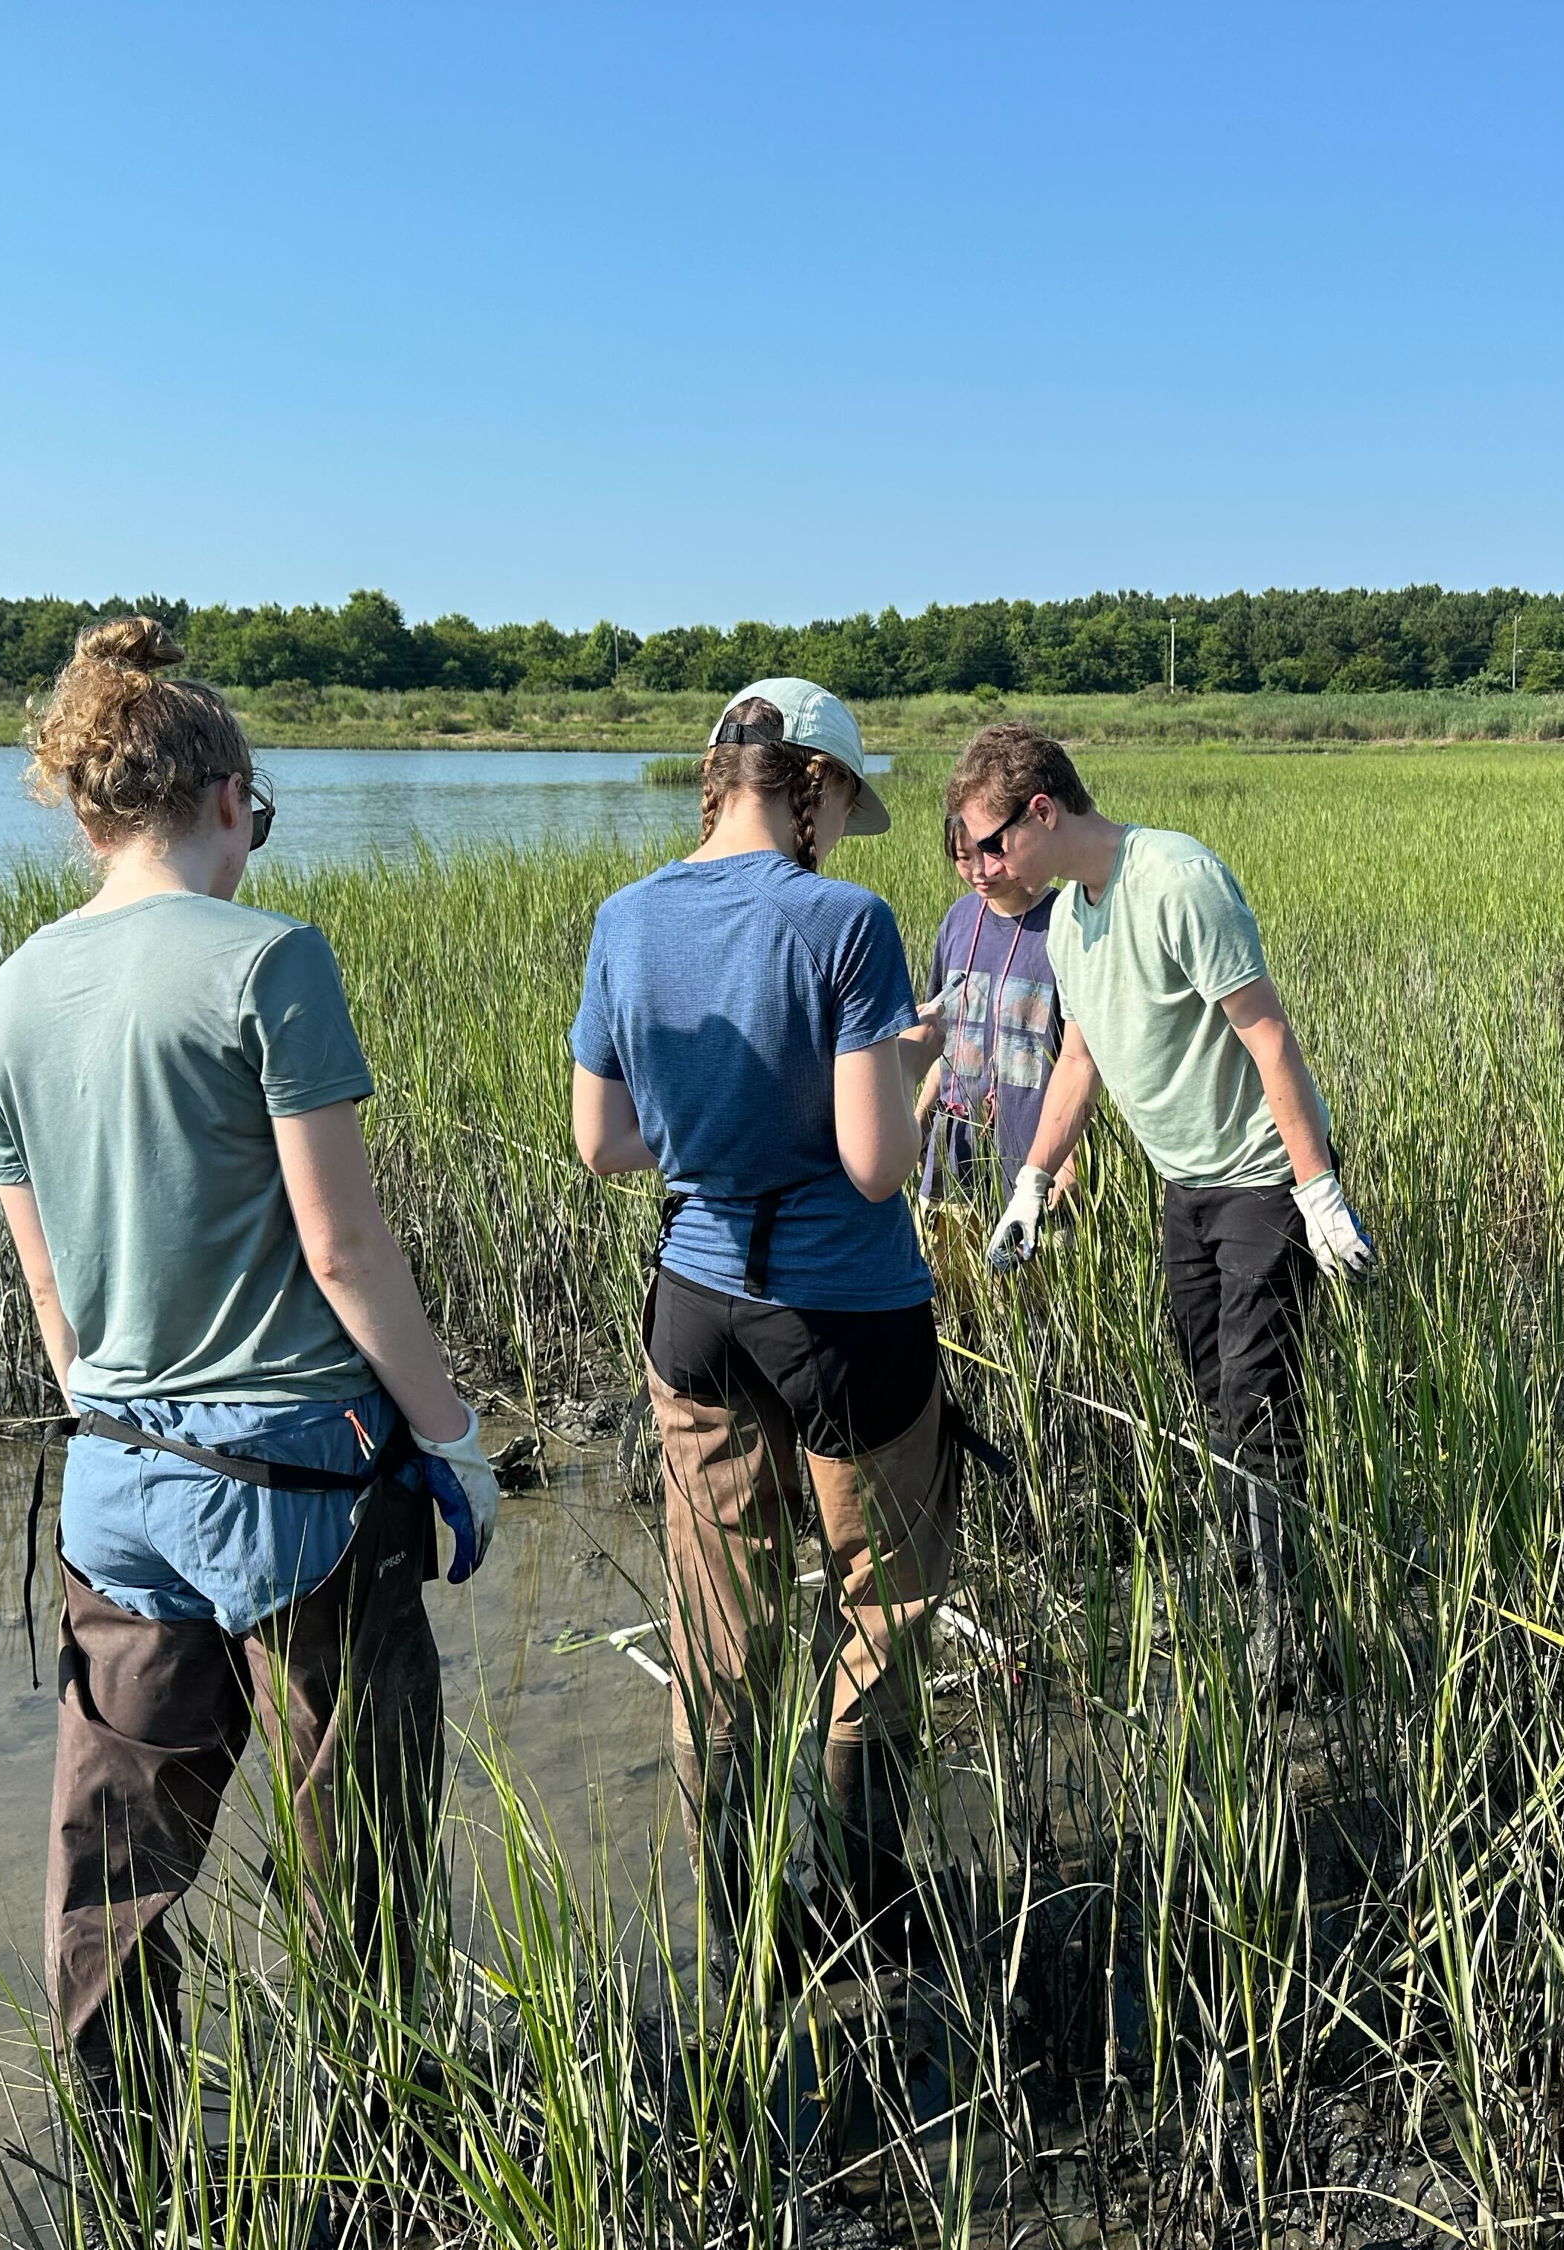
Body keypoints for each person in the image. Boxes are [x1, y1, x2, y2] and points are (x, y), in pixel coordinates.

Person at [0, 618, 505, 2147]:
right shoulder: (269, 960)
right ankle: (388, 2137)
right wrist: (453, 1440)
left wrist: (128, 1414)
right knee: (362, 1847)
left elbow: (54, 1303)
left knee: (115, 1857)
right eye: (255, 817)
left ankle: (127, 2156)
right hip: (304, 1495)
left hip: (120, 1488)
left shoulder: (9, 998)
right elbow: (342, 1250)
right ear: (227, 799)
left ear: (86, 816)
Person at [569, 677, 955, 1960]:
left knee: (719, 1632)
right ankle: (863, 1900)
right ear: (816, 785)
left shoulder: (624, 921)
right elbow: (875, 1166)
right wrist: (909, 1064)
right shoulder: (845, 921)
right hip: (847, 1317)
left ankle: (740, 1927)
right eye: (845, 805)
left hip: (697, 1311)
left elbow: (604, 1140)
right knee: (881, 1607)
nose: (844, 833)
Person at [946, 723, 1372, 1689]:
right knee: (1210, 1391)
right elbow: (1082, 1057)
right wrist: (1030, 1182)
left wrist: (1320, 1194)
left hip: (1262, 1179)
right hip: (1183, 1186)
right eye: (966, 850)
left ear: (1042, 811)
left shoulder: (1177, 879)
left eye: (987, 844)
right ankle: (1252, 1563)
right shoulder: (1070, 920)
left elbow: (1267, 1036)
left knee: (1259, 1404)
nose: (975, 868)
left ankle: (1281, 1622)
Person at [914, 811, 1073, 1203]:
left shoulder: (1064, 923)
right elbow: (945, 1038)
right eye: (963, 857)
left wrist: (1068, 1159)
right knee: (948, 1258)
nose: (980, 871)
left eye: (990, 854)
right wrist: (921, 1116)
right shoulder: (958, 921)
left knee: (1035, 1261)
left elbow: (1082, 1058)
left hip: (1035, 1151)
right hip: (956, 1148)